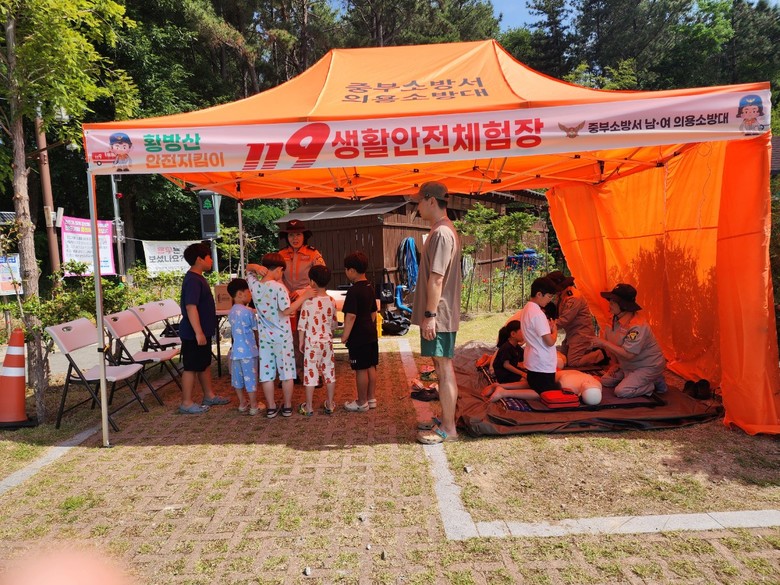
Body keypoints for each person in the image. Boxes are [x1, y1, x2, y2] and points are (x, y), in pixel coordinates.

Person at [411, 182, 462, 444]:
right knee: (440, 367)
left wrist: (430, 315)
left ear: (431, 200)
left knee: (443, 368)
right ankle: (445, 421)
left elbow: (437, 278)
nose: (416, 207)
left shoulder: (442, 232)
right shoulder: (440, 230)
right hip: (438, 313)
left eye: (418, 201)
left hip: (439, 314)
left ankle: (449, 429)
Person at [247, 253, 313, 418]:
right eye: (282, 271)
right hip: (282, 337)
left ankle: (271, 407)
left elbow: (248, 270)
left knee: (267, 374)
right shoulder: (279, 287)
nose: (281, 275)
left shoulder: (254, 285)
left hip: (265, 337)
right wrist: (304, 297)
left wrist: (255, 267)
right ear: (278, 269)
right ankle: (287, 406)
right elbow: (286, 310)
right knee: (287, 372)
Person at [177, 242, 230, 414]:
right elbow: (191, 307)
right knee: (191, 367)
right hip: (193, 333)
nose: (211, 260)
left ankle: (209, 395)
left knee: (204, 364)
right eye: (208, 257)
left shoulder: (198, 277)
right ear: (199, 259)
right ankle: (186, 403)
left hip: (201, 332)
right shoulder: (193, 280)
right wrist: (198, 332)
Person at [590, 283, 668, 398]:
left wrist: (603, 343)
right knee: (605, 381)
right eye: (610, 300)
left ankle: (653, 383)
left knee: (622, 391)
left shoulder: (637, 326)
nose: (610, 303)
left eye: (613, 301)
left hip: (647, 365)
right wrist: (615, 364)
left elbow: (629, 354)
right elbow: (612, 345)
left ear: (624, 306)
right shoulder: (613, 319)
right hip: (627, 365)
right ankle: (633, 378)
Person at [278, 219, 326, 382]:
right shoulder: (281, 255)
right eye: (291, 235)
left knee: (311, 336)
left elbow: (321, 277)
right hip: (288, 302)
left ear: (304, 236)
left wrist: (301, 292)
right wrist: (284, 291)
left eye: (298, 234)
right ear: (287, 237)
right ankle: (295, 372)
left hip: (309, 300)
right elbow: (276, 276)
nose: (295, 238)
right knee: (291, 338)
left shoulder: (314, 254)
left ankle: (315, 372)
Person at [297, 265, 338, 416]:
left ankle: (308, 407)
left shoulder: (307, 302)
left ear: (312, 282)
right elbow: (334, 323)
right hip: (327, 342)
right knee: (329, 372)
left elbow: (302, 325)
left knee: (310, 374)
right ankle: (330, 404)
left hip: (312, 343)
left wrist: (301, 342)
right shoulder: (332, 301)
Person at [341, 251, 378, 412]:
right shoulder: (369, 287)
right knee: (371, 366)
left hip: (358, 336)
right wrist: (368, 325)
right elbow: (373, 312)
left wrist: (345, 335)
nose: (345, 272)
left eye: (346, 269)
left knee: (360, 368)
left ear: (352, 270)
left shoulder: (353, 291)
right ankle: (371, 398)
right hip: (370, 333)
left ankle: (361, 401)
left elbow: (351, 316)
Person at [546, 270, 605, 368]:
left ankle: (599, 354)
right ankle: (585, 351)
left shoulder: (573, 298)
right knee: (563, 357)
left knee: (573, 362)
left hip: (581, 333)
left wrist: (547, 327)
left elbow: (564, 320)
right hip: (572, 333)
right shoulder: (562, 294)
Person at [519, 276, 560, 394]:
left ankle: (502, 388)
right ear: (539, 294)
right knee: (544, 393)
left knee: (533, 386)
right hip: (541, 363)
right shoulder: (538, 314)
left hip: (534, 359)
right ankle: (503, 392)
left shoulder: (527, 308)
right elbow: (549, 342)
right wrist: (554, 330)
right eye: (549, 296)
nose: (550, 300)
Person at [226, 278, 260, 415]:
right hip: (249, 351)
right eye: (249, 291)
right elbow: (255, 329)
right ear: (240, 294)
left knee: (237, 379)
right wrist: (258, 344)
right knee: (250, 378)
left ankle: (242, 403)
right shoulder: (249, 312)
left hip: (236, 352)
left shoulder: (231, 312)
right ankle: (254, 405)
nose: (250, 294)